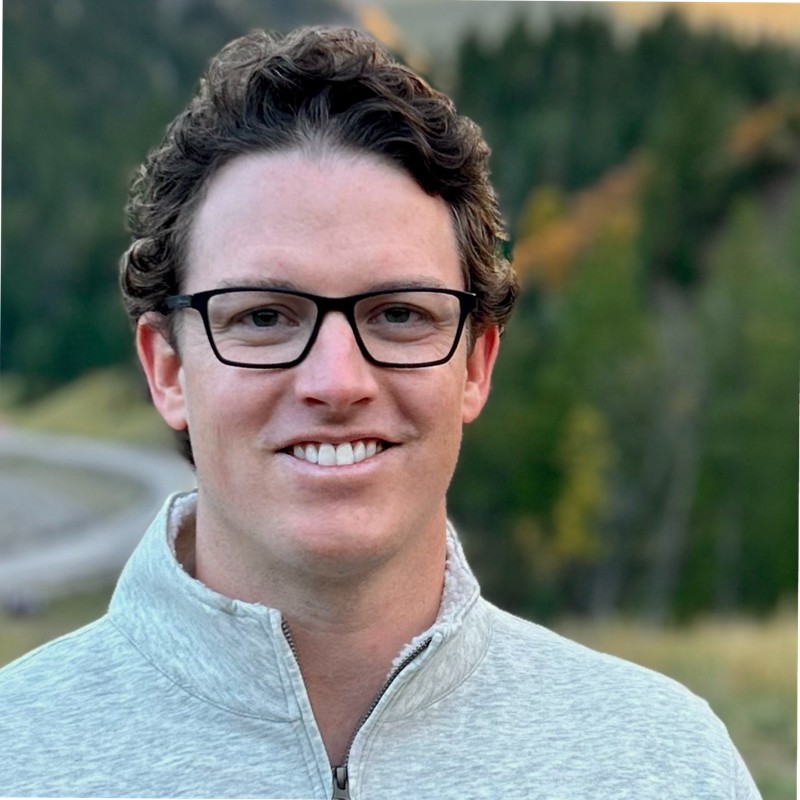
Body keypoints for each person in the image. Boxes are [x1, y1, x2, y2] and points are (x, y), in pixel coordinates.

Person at [0, 26, 760, 800]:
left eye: (399, 314)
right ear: (168, 370)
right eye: (264, 316)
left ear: (475, 364)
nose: (337, 382)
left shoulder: (664, 765)